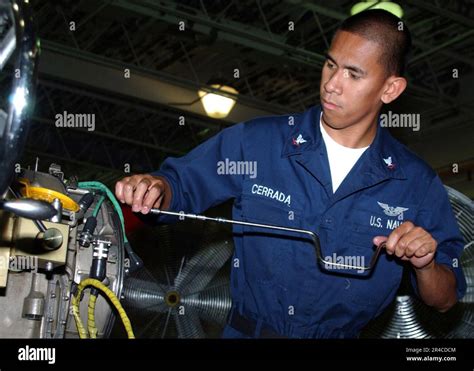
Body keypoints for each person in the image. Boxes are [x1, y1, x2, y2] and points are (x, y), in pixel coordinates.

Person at [115, 9, 466, 338]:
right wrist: (155, 186)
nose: (332, 84)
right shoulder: (258, 143)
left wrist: (426, 265)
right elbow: (180, 186)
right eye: (331, 65)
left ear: (390, 89)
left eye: (353, 73)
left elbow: (446, 298)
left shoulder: (414, 184)